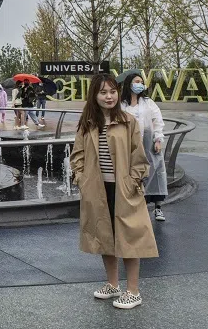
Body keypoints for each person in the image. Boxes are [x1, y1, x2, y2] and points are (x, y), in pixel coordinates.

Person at [69, 73, 157, 310]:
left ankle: (133, 290)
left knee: (129, 236)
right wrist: (81, 178)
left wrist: (134, 181)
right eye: (103, 92)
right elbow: (77, 154)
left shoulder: (128, 121)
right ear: (94, 96)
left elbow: (139, 156)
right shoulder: (87, 123)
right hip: (97, 188)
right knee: (104, 235)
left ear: (118, 93)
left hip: (124, 187)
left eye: (112, 92)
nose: (108, 97)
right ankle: (113, 284)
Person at [121, 73, 168, 222]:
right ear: (129, 83)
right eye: (136, 81)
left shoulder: (148, 102)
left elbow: (157, 120)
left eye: (141, 82)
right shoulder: (121, 104)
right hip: (129, 144)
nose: (140, 84)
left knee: (155, 172)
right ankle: (138, 208)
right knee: (134, 175)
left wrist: (158, 139)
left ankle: (158, 207)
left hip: (148, 142)